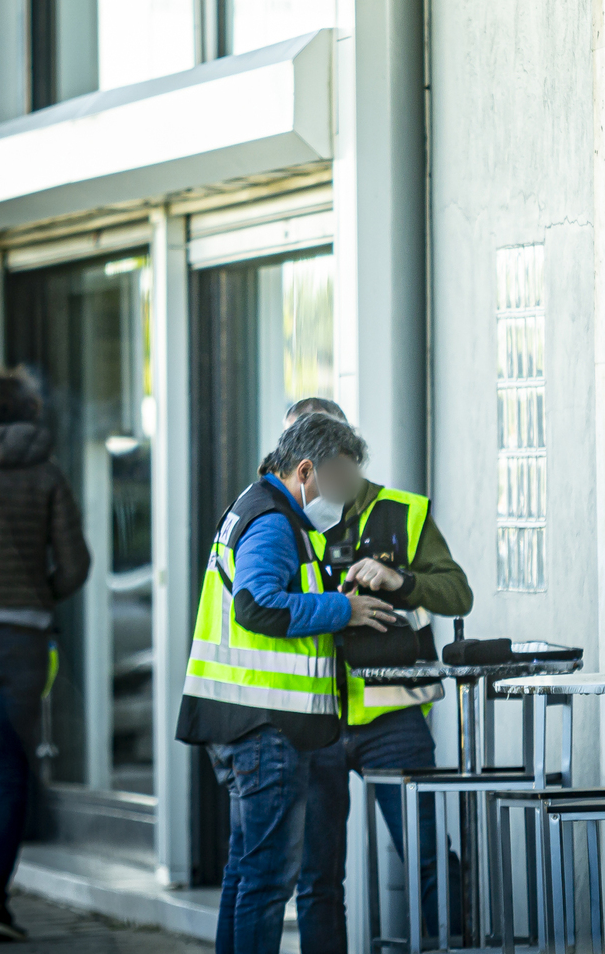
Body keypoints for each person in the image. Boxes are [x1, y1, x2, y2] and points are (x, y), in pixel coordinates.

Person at [176, 413, 395, 954]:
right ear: (305, 470)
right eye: (339, 481)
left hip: (245, 722)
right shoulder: (273, 519)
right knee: (268, 881)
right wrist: (340, 608)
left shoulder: (259, 510)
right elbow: (256, 605)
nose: (343, 498)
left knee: (247, 875)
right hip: (263, 728)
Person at [283, 398, 472, 954]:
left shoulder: (400, 512)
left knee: (429, 852)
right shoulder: (277, 518)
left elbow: (458, 593)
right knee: (316, 877)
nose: (303, 467)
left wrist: (401, 580)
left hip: (393, 714)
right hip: (314, 717)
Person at [0, 367, 90, 943]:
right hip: (22, 640)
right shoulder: (47, 474)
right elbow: (75, 564)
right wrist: (37, 593)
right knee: (13, 771)